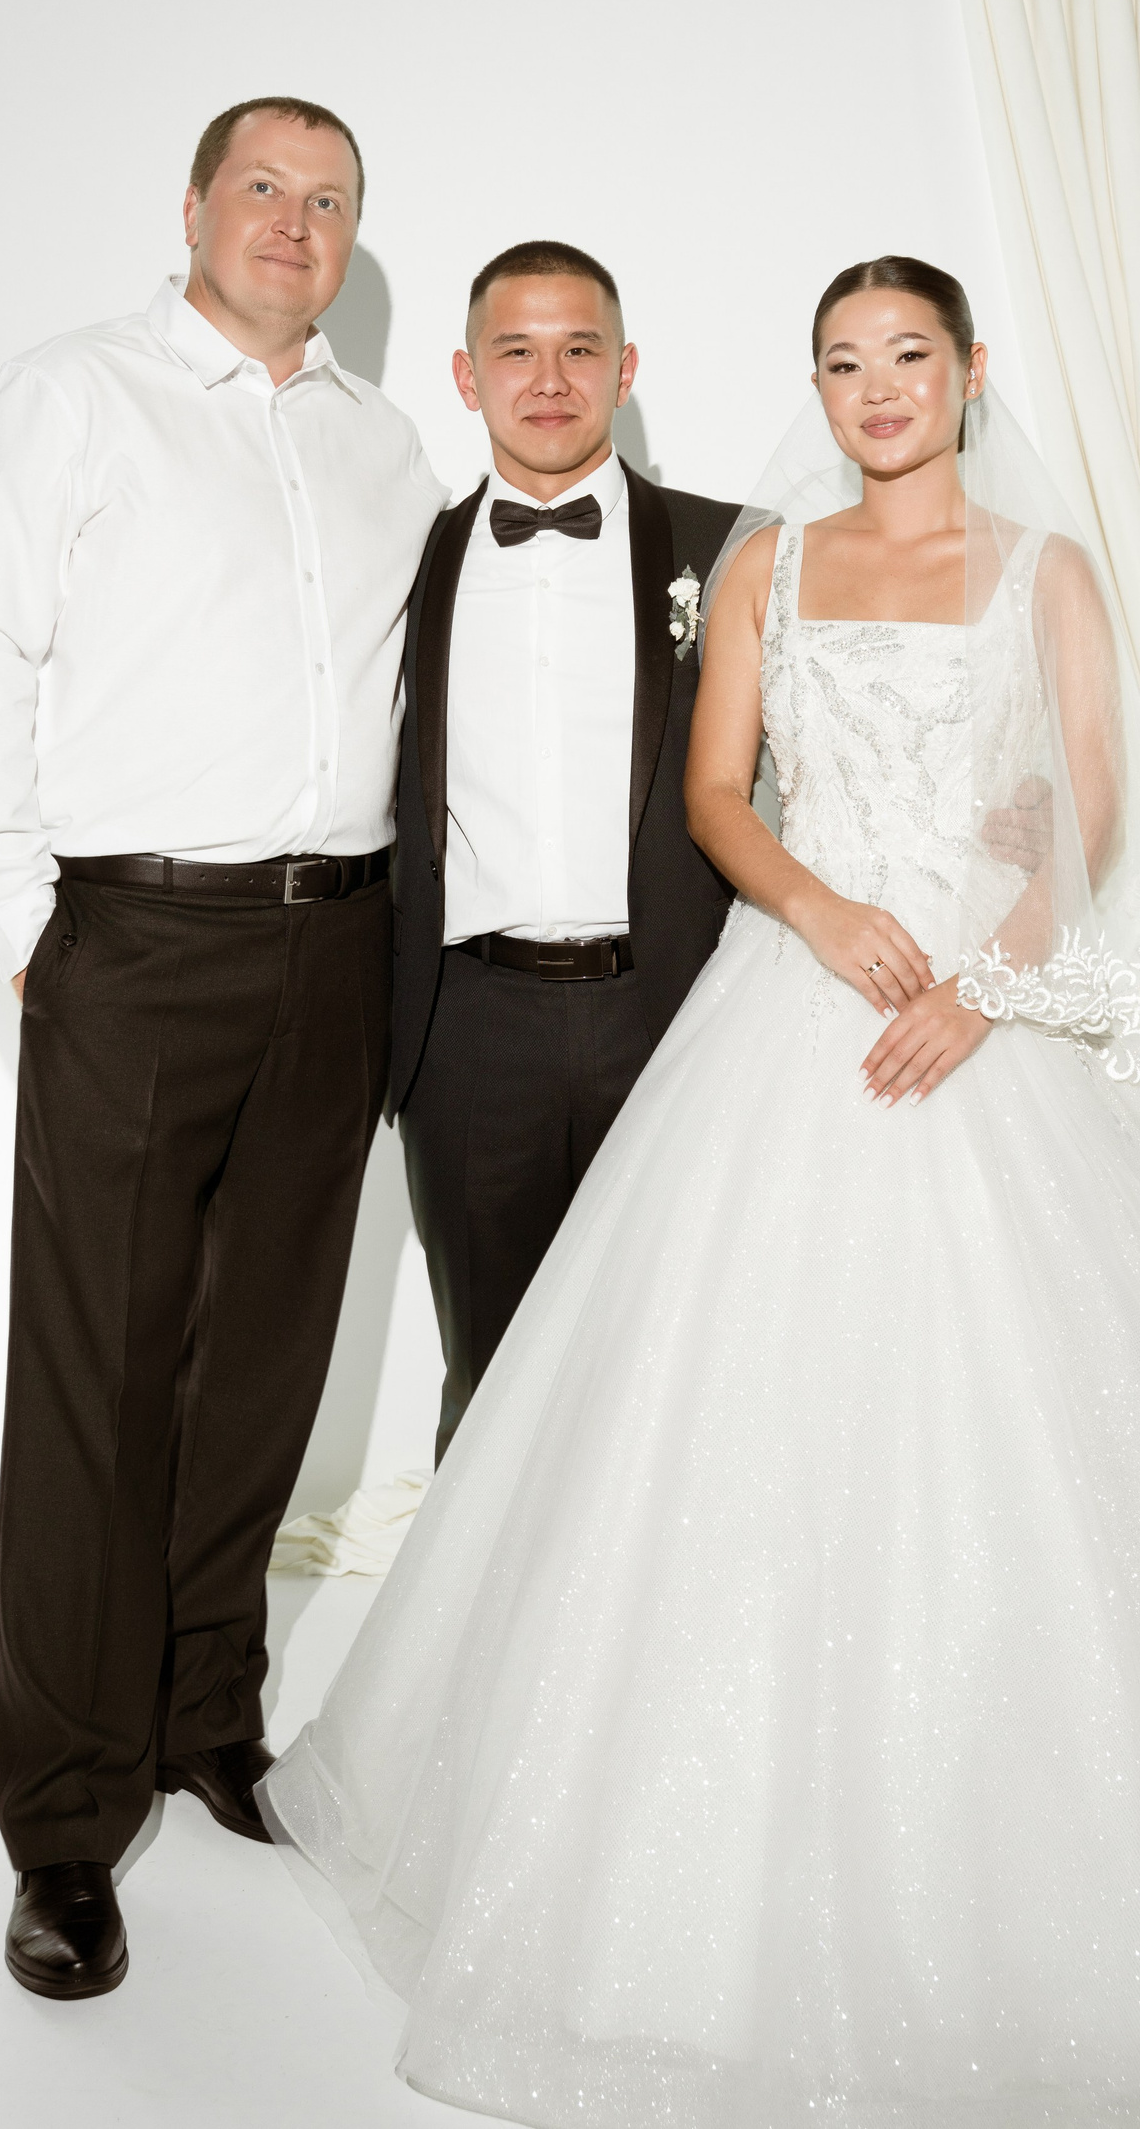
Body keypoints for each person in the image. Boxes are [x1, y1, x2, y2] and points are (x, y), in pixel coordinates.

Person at [263, 256, 1140, 2124]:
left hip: (981, 1014)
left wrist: (984, 991)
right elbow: (716, 795)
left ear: (971, 371)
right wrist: (828, 915)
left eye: (909, 355)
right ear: (818, 392)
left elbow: (1086, 804)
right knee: (719, 1415)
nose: (878, 388)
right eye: (843, 364)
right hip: (798, 997)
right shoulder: (766, 562)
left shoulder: (1045, 571)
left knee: (1039, 1431)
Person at [0, 97, 445, 2000]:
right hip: (133, 939)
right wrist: (25, 926)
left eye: (331, 200)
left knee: (263, 1362)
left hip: (339, 940)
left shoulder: (385, 445)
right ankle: (64, 1823)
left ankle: (207, 1715)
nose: (296, 223)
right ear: (196, 206)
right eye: (264, 189)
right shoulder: (74, 393)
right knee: (100, 1381)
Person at [390, 240, 739, 1460]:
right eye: (516, 351)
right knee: (492, 1382)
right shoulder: (403, 559)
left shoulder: (731, 551)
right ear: (465, 376)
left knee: (687, 1370)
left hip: (679, 1017)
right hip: (469, 1032)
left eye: (580, 349)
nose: (549, 380)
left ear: (625, 369)